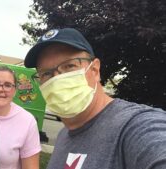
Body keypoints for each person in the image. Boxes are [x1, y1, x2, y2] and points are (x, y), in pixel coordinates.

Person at [24, 28, 166, 169]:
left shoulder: (135, 126)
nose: (57, 79)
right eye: (46, 74)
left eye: (69, 66)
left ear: (95, 70)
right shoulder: (64, 135)